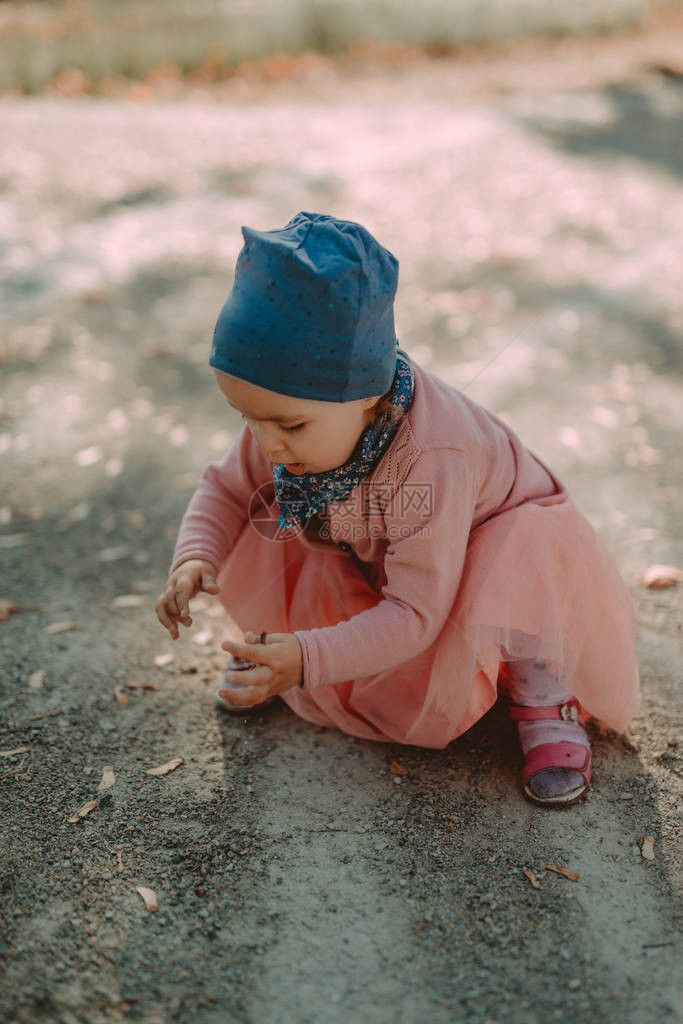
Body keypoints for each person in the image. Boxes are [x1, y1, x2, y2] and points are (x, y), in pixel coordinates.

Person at [155, 211, 640, 808]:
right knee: (270, 520)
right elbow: (227, 489)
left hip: (487, 547)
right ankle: (275, 660)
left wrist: (309, 659)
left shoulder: (430, 459)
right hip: (388, 549)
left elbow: (415, 612)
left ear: (365, 396)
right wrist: (195, 557)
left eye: (289, 423)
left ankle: (543, 696)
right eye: (247, 419)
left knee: (517, 571)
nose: (267, 443)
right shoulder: (291, 427)